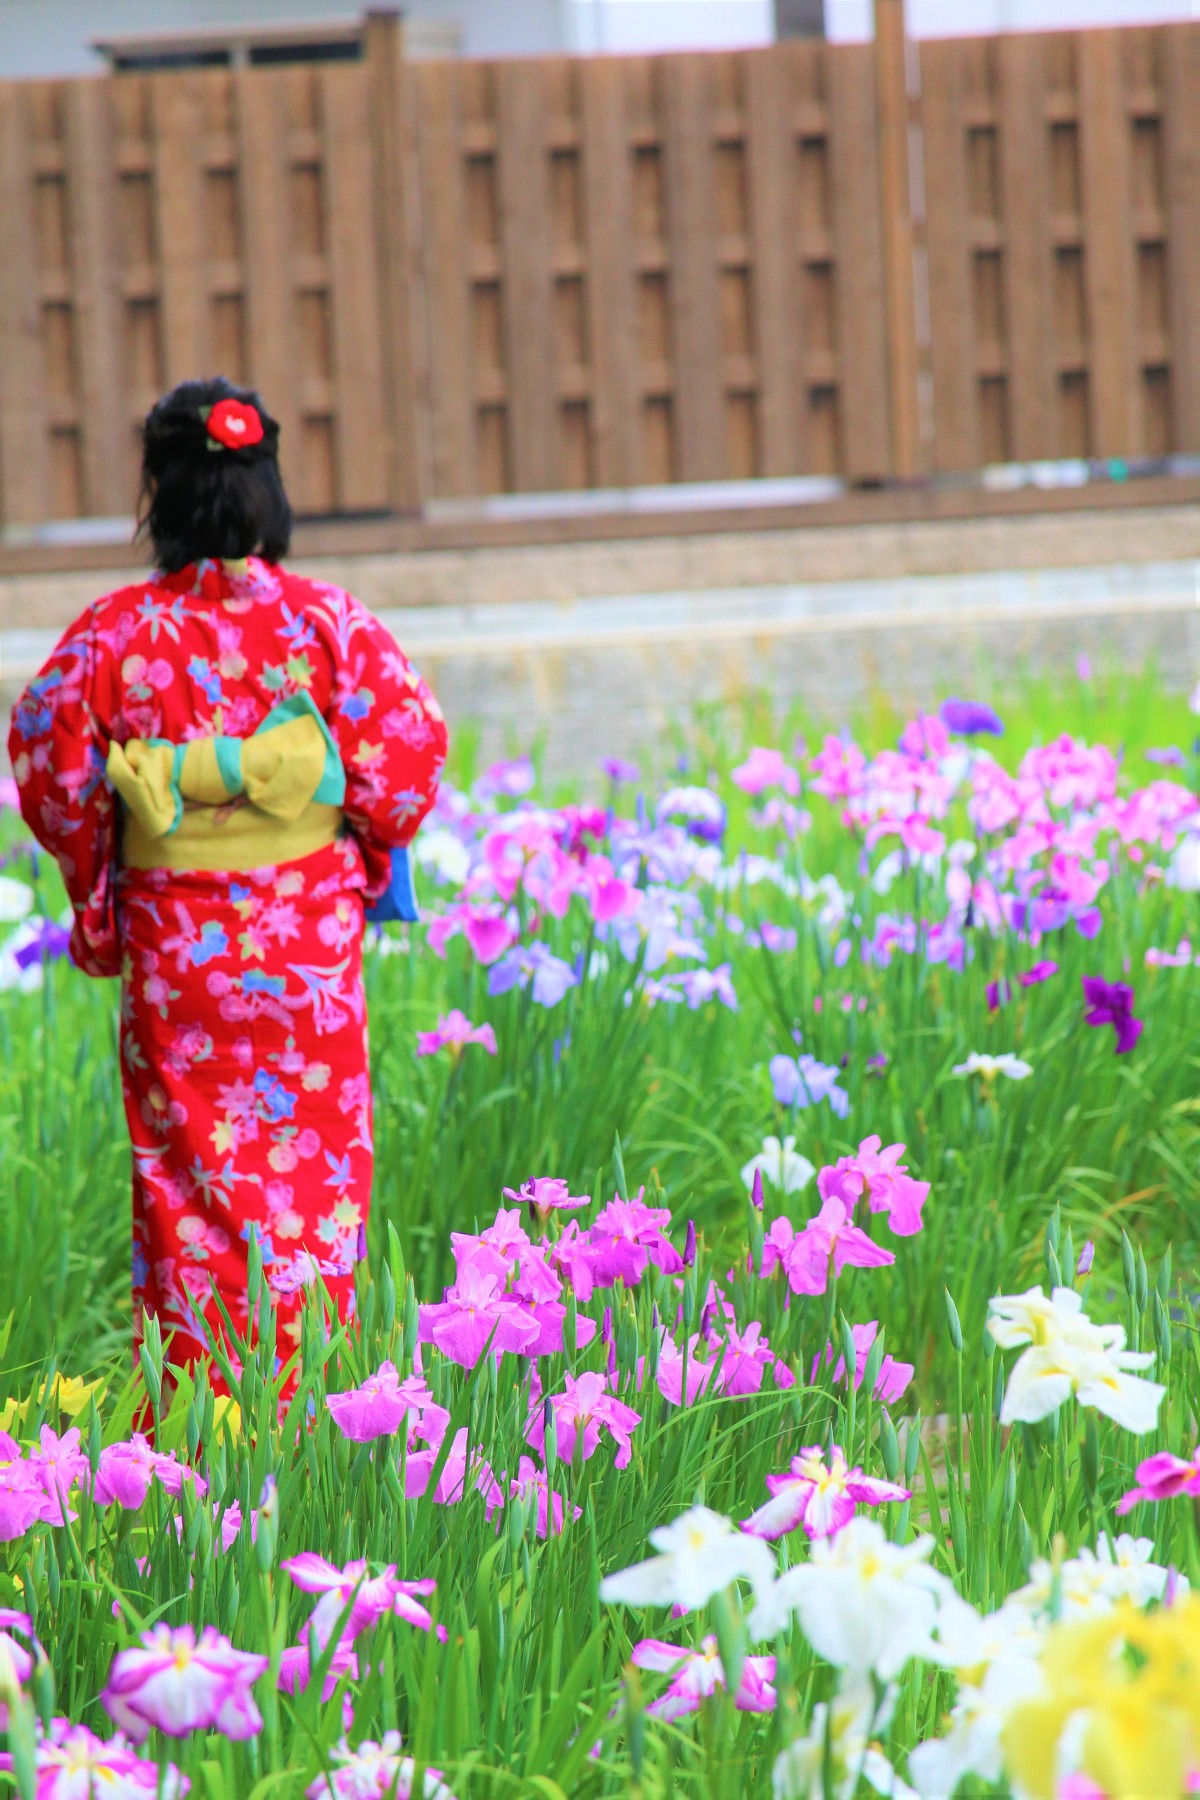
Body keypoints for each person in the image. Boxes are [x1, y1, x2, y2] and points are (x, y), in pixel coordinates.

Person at [8, 377, 447, 1394]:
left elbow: (46, 759)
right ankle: (317, 1416)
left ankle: (201, 1443)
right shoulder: (330, 622)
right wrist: (359, 842)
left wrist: (99, 888)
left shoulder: (113, 634)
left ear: (161, 493)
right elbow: (408, 757)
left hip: (177, 960)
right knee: (313, 1183)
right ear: (267, 492)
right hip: (307, 952)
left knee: (184, 1182)